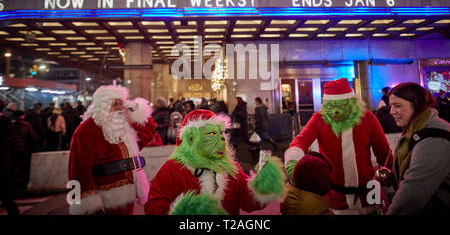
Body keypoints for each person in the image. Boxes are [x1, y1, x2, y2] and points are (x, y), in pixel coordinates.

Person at [144, 109, 285, 215]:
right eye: (212, 133)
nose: (221, 138)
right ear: (192, 139)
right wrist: (182, 210)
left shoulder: (231, 169)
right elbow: (152, 206)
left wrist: (262, 186)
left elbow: (248, 203)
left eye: (221, 132)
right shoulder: (174, 168)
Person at [284, 78, 393, 214]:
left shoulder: (368, 118)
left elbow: (384, 153)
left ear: (352, 103)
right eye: (331, 106)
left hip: (369, 192)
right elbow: (299, 142)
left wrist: (390, 182)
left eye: (341, 106)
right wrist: (293, 162)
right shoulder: (319, 119)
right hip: (335, 196)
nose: (336, 111)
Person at [68, 85, 155, 215]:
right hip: (104, 194)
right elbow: (79, 167)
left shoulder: (124, 124)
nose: (120, 108)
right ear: (103, 105)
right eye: (115, 103)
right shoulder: (86, 130)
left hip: (130, 190)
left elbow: (147, 132)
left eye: (122, 103)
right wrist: (89, 200)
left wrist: (136, 110)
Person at [387, 83, 450, 215]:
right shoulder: (413, 130)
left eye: (397, 106)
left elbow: (412, 194)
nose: (391, 111)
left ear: (416, 106)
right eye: (391, 106)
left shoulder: (434, 138)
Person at [8, 110, 38, 189]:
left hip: (10, 148)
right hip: (23, 148)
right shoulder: (25, 124)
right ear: (22, 116)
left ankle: (10, 185)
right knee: (24, 167)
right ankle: (24, 185)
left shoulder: (9, 124)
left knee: (11, 167)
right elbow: (33, 136)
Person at [0, 100, 19, 215]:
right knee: (4, 188)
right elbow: (14, 143)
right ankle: (13, 210)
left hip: (3, 159)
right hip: (4, 159)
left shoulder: (6, 123)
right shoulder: (8, 123)